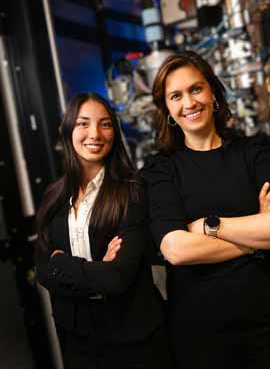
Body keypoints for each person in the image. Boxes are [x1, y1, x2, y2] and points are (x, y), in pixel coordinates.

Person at [140, 51, 270, 369]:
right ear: (167, 109)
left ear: (213, 92)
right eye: (176, 95)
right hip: (200, 337)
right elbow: (176, 249)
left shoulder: (257, 152)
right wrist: (257, 229)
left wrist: (208, 226)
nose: (189, 103)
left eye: (196, 89)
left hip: (269, 326)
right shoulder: (160, 170)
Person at [35, 93, 172, 369]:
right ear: (68, 130)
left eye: (105, 124)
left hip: (133, 341)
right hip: (78, 341)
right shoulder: (54, 195)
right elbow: (42, 270)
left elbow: (116, 278)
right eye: (83, 124)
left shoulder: (132, 192)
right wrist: (93, 269)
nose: (94, 134)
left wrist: (61, 265)